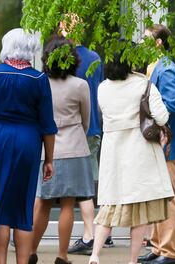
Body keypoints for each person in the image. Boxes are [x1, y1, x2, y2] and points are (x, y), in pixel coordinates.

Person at [0, 28, 57, 264]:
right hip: (28, 141)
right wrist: (49, 158)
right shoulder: (39, 79)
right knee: (22, 206)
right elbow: (48, 125)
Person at [88, 45, 173, 264]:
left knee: (109, 207)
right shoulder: (144, 85)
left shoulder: (102, 88)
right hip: (140, 151)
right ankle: (132, 260)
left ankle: (95, 255)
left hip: (113, 151)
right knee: (140, 210)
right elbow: (162, 117)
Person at [31, 36, 95, 264]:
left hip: (46, 150)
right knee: (68, 204)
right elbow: (86, 119)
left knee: (43, 202)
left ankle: (30, 251)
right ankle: (62, 255)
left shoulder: (40, 83)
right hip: (75, 148)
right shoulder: (80, 85)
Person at [59, 15, 109, 256]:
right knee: (90, 182)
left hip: (69, 130)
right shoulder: (94, 58)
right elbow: (98, 96)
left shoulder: (62, 58)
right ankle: (98, 233)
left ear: (63, 28)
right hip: (92, 128)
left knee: (83, 187)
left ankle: (91, 234)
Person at [138, 25, 175, 264]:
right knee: (160, 195)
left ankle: (169, 251)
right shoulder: (158, 67)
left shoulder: (166, 69)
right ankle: (159, 248)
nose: (141, 42)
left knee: (168, 196)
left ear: (158, 43)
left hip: (168, 142)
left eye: (146, 38)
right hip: (162, 142)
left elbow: (172, 105)